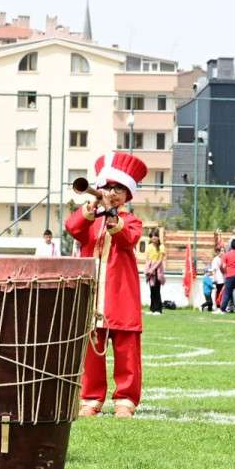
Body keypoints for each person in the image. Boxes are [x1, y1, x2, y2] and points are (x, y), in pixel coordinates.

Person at [66, 151, 146, 419]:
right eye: (107, 186)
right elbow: (73, 228)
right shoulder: (91, 217)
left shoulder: (131, 220)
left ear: (128, 195)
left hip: (121, 294)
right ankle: (90, 397)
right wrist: (91, 210)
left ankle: (126, 398)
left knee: (127, 349)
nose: (112, 192)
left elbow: (128, 238)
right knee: (91, 349)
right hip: (92, 293)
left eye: (118, 188)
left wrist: (113, 219)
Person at [144, 232, 165, 314]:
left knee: (157, 289)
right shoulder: (149, 247)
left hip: (158, 269)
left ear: (158, 238)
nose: (154, 239)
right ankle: (152, 309)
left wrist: (153, 268)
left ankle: (158, 309)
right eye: (152, 237)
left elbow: (160, 259)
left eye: (155, 237)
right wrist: (148, 269)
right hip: (150, 269)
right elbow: (147, 258)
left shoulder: (161, 247)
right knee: (151, 290)